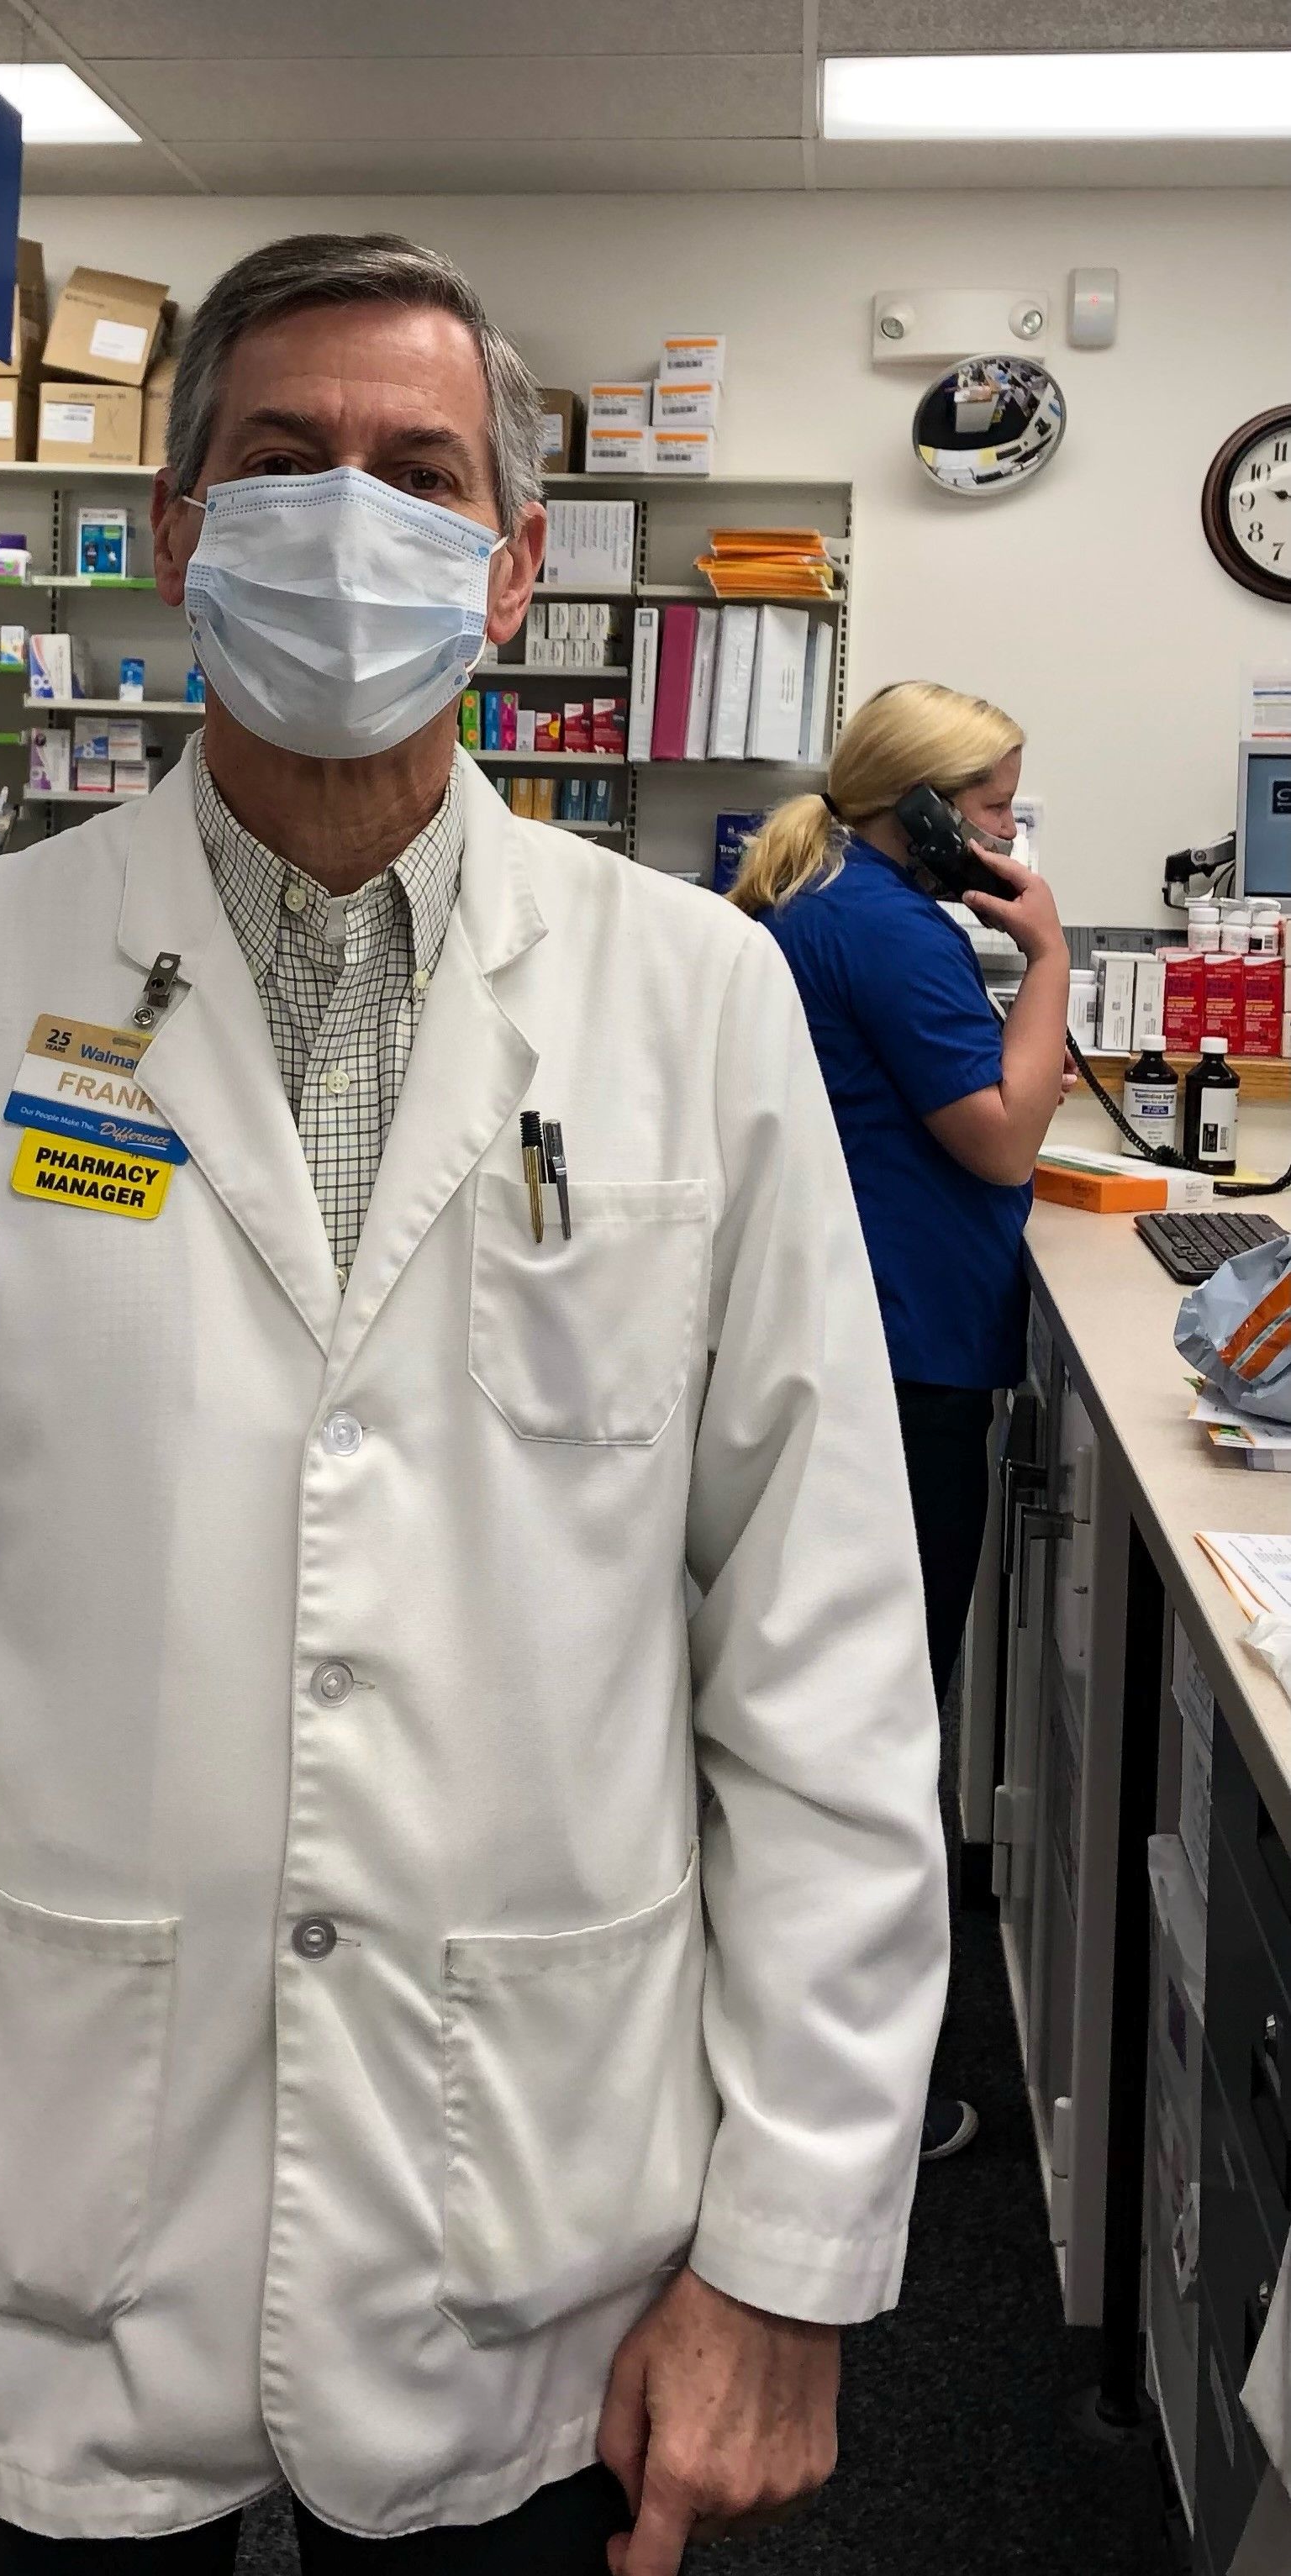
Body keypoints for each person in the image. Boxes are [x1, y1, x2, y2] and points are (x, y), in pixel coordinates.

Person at [0, 234, 949, 2576]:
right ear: (171, 529)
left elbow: (822, 1673)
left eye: (419, 474)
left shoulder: (694, 1006)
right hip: (24, 2218)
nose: (351, 522)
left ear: (517, 564)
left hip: (536, 2220)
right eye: (281, 462)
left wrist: (788, 2244)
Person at [733, 681, 1069, 2167]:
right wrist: (1047, 949)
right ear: (923, 810)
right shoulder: (889, 926)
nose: (1007, 834)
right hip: (906, 1357)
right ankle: (873, 2098)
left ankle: (828, 2066)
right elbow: (998, 1133)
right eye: (993, 810)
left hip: (871, 1342)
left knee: (851, 1708)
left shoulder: (831, 899)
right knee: (890, 1721)